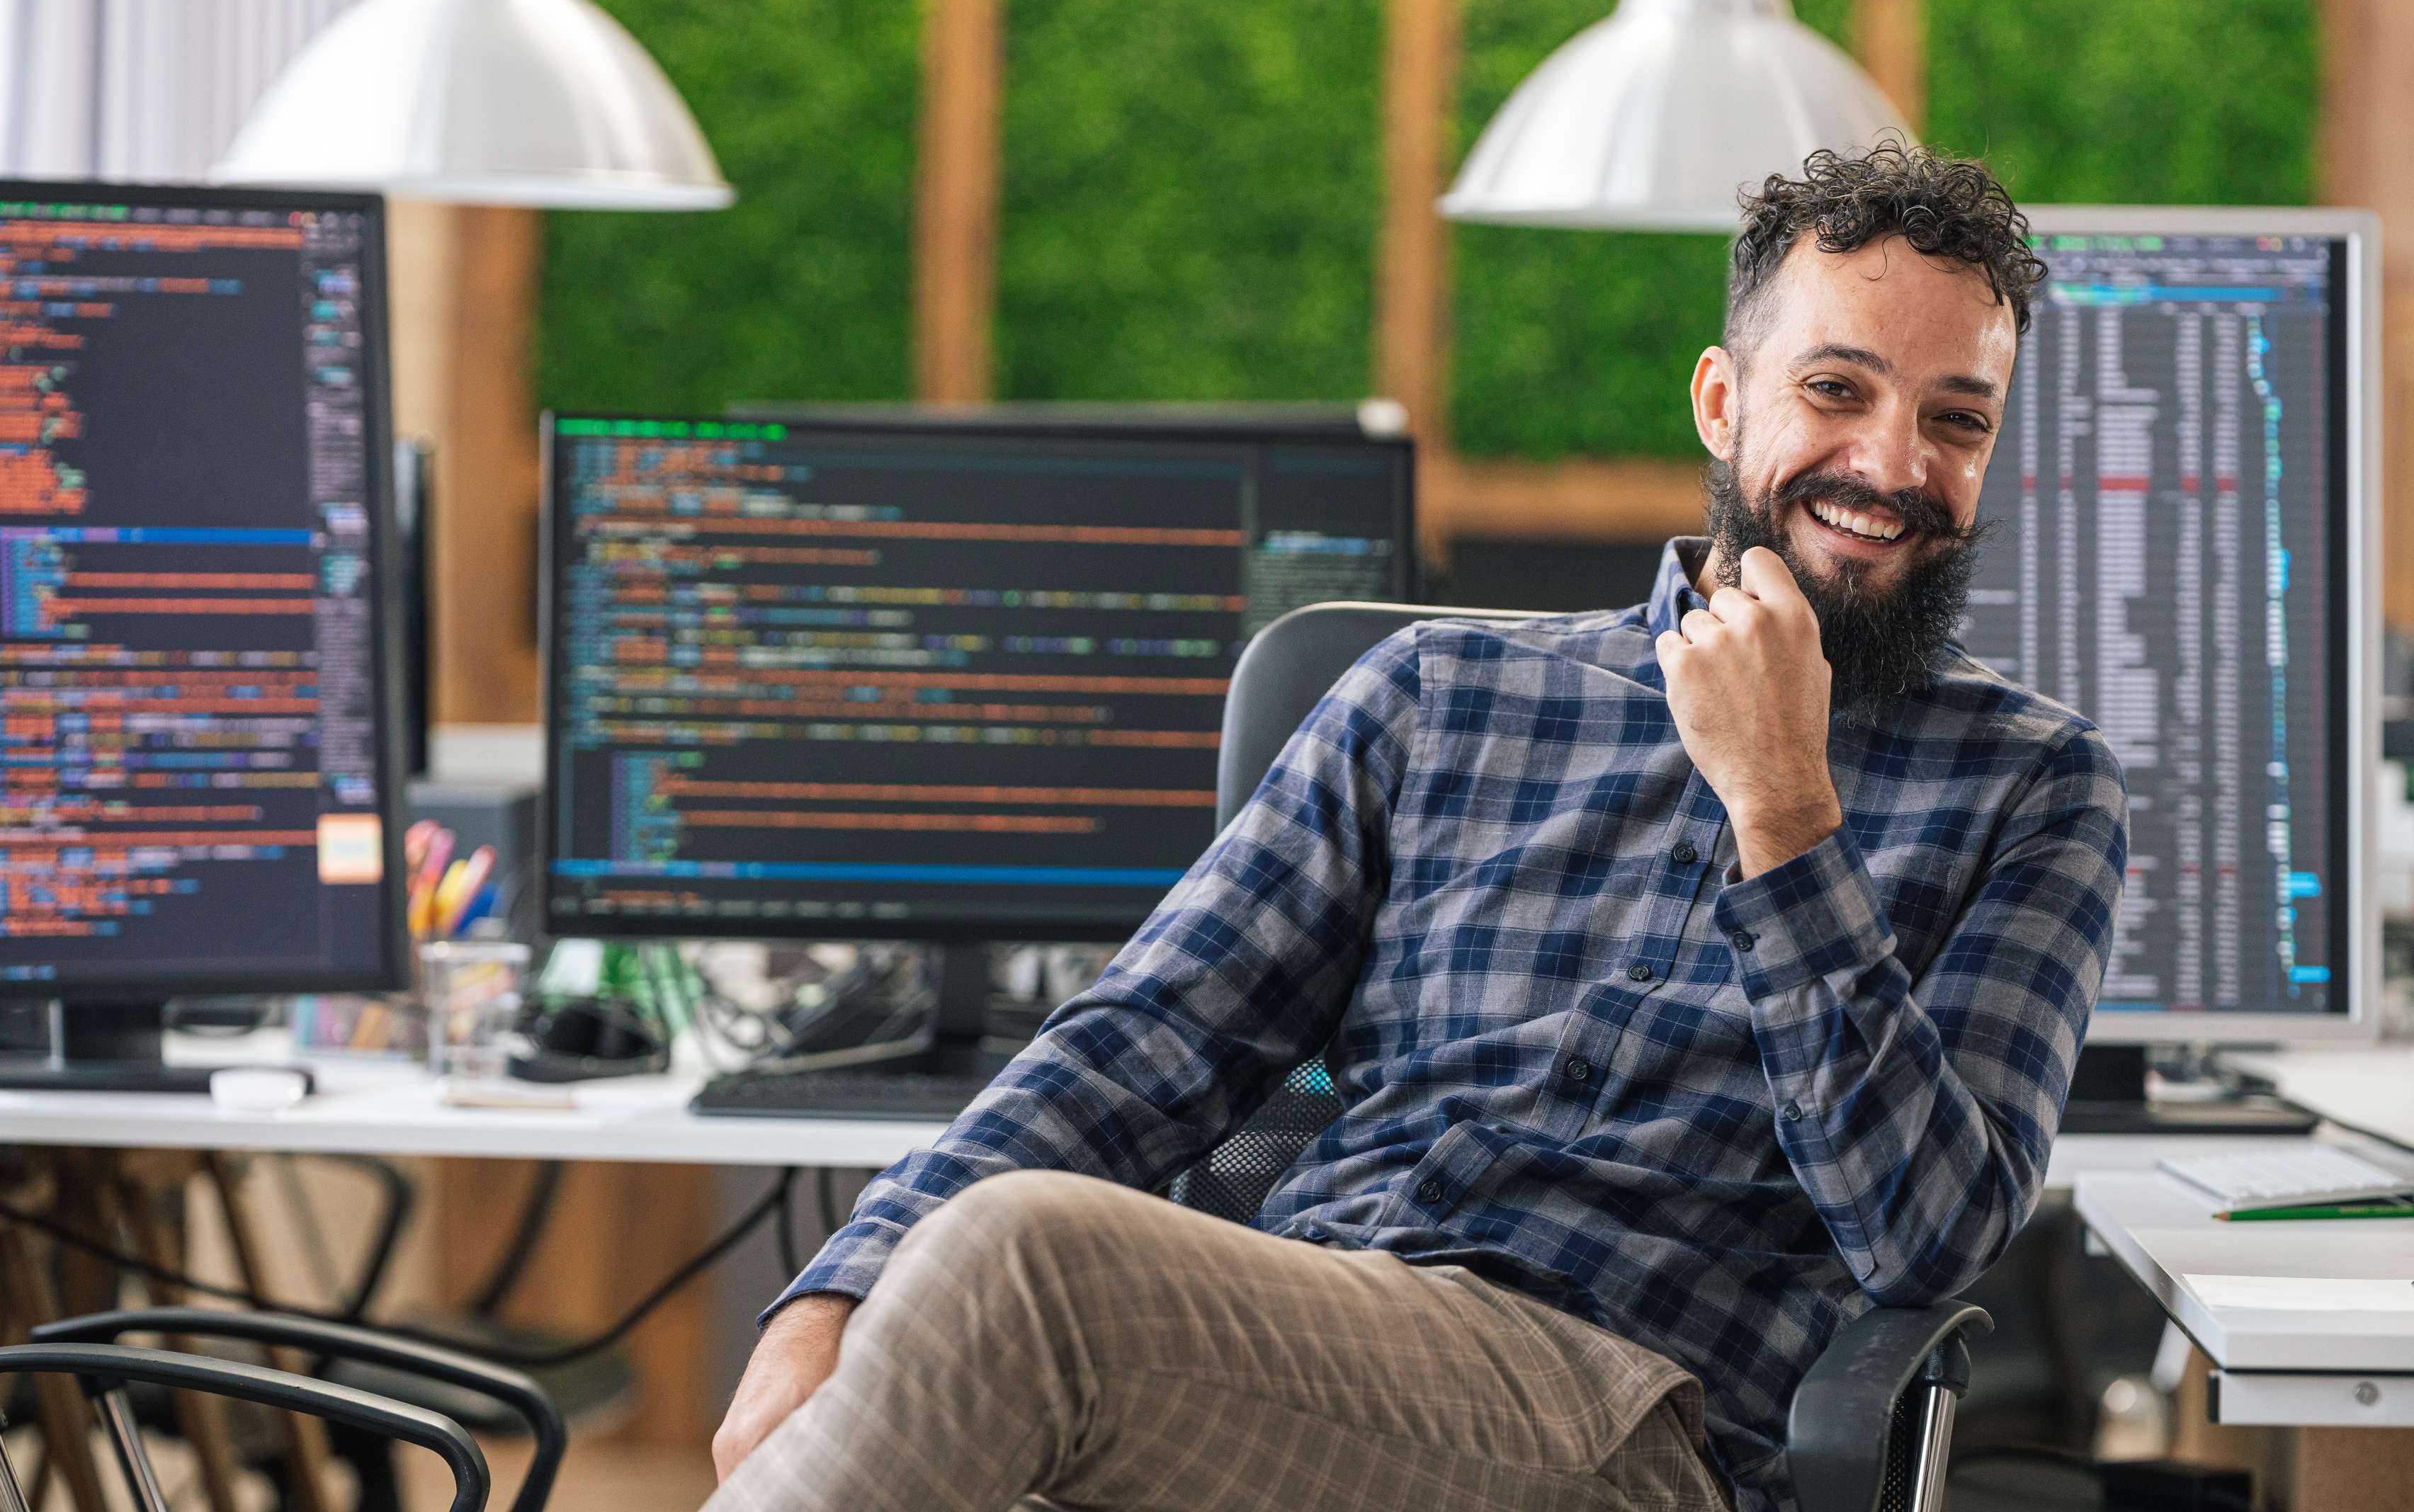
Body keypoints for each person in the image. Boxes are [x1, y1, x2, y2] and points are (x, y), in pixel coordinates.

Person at [705, 143, 2129, 1512]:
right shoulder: (1443, 696)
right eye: (1837, 388)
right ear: (1718, 401)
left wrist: (1786, 812)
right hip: (1303, 1352)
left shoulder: (2035, 790)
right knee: (932, 1349)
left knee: (1018, 1267)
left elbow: (1925, 1236)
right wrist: (840, 1287)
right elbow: (1143, 1044)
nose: (1893, 463)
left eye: (1957, 418)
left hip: (1633, 1432)